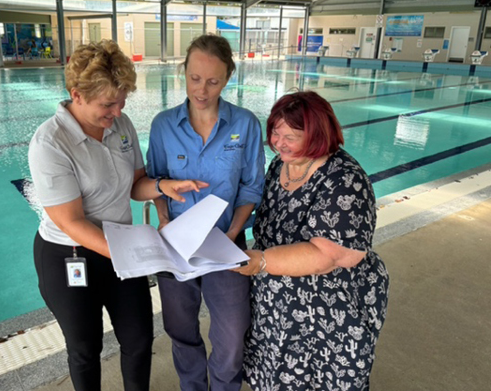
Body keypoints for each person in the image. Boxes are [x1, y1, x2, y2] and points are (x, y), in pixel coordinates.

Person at [28, 40, 207, 391]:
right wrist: (135, 253)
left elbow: (135, 184)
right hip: (70, 253)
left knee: (139, 338)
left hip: (120, 247)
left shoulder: (121, 125)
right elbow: (71, 221)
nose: (117, 111)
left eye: (122, 100)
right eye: (108, 104)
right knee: (85, 347)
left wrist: (163, 187)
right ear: (76, 94)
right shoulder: (50, 142)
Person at [234, 91, 390, 391]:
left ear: (318, 134)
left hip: (329, 311)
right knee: (276, 377)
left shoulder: (345, 180)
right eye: (275, 133)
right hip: (278, 309)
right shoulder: (280, 166)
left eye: (290, 136)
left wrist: (262, 261)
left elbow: (329, 255)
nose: (279, 143)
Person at [146, 34, 265, 391]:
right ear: (183, 72)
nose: (202, 90)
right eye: (195, 78)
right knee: (181, 332)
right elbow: (156, 182)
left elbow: (251, 186)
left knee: (231, 335)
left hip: (227, 244)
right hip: (176, 246)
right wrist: (165, 219)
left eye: (213, 81)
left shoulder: (245, 125)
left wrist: (234, 233)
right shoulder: (163, 125)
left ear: (228, 78)